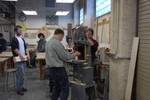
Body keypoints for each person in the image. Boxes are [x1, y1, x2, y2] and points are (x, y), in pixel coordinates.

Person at [45, 28, 80, 100]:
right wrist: (75, 54)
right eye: (62, 37)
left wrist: (70, 53)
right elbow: (65, 57)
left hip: (52, 69)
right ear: (60, 34)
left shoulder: (49, 42)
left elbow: (58, 54)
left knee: (56, 88)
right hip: (58, 70)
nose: (62, 39)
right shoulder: (56, 43)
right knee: (65, 89)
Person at [11, 25, 30, 95]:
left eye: (21, 30)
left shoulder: (22, 39)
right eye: (19, 30)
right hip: (18, 59)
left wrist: (28, 54)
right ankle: (19, 89)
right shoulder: (14, 39)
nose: (21, 32)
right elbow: (15, 49)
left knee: (22, 74)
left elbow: (25, 48)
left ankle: (20, 87)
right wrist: (20, 55)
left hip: (23, 59)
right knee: (20, 74)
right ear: (15, 31)